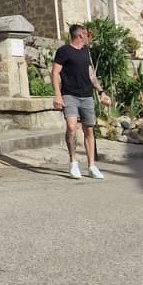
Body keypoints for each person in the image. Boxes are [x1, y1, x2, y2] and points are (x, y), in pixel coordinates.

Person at [51, 24, 113, 180]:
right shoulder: (64, 51)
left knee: (89, 130)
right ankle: (73, 162)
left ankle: (92, 165)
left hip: (86, 95)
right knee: (71, 127)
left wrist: (101, 92)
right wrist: (57, 95)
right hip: (69, 94)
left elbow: (91, 74)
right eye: (87, 34)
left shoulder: (86, 52)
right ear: (80, 35)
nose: (88, 37)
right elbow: (55, 72)